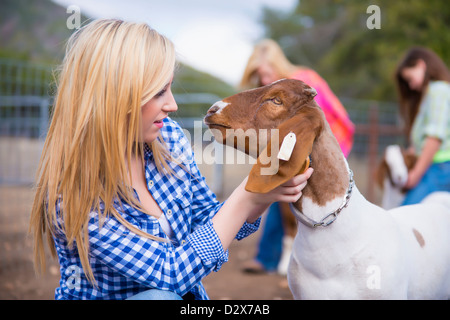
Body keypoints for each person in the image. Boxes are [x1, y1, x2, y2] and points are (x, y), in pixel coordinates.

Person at [29, 19, 312, 300]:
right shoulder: (72, 196)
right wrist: (247, 196)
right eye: (159, 92)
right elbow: (170, 274)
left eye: (170, 88)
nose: (172, 105)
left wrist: (264, 192)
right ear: (114, 98)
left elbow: (208, 219)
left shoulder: (169, 139)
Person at [240, 39, 354, 274]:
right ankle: (269, 258)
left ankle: (334, 261)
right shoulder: (275, 92)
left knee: (326, 203)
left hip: (328, 146)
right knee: (280, 194)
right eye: (259, 76)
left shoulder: (304, 80)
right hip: (301, 148)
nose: (263, 80)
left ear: (277, 65)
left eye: (265, 73)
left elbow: (313, 121)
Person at [395, 46, 450, 205]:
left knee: (405, 213)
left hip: (441, 168)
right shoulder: (431, 94)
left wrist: (416, 175)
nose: (411, 85)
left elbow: (434, 138)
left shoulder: (437, 90)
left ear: (421, 65)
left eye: (410, 78)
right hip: (437, 167)